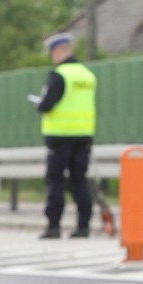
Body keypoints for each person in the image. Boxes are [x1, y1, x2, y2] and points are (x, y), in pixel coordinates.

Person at [33, 33, 97, 239]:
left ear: (59, 51)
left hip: (59, 137)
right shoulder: (87, 75)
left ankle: (53, 226)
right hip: (83, 136)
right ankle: (83, 225)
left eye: (52, 53)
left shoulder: (59, 75)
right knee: (79, 181)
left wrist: (39, 104)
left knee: (56, 181)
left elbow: (46, 104)